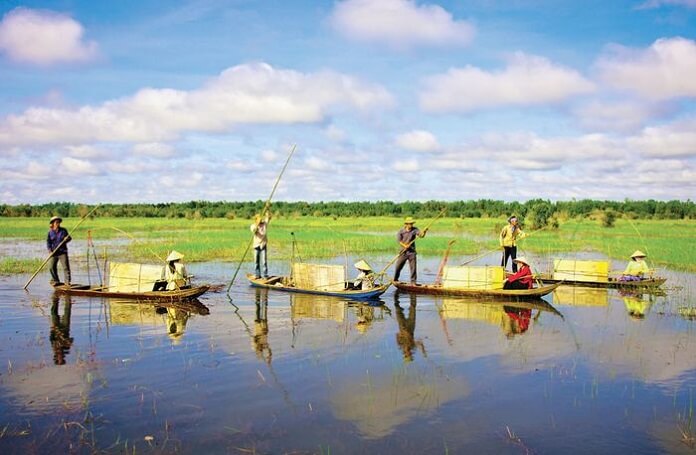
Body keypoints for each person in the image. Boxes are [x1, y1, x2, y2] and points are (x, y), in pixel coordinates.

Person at [393, 217, 428, 284]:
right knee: (398, 266)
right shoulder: (401, 231)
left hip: (412, 252)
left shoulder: (415, 230)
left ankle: (413, 282)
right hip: (403, 252)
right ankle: (395, 279)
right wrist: (405, 246)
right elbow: (399, 241)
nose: (411, 225)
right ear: (406, 224)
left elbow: (421, 235)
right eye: (409, 224)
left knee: (413, 268)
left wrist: (425, 231)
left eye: (412, 224)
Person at [47, 216, 72, 286]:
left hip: (62, 252)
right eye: (56, 222)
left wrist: (66, 238)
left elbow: (70, 238)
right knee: (51, 266)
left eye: (58, 222)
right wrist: (50, 250)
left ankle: (67, 282)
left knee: (66, 267)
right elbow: (48, 242)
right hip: (54, 252)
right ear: (53, 223)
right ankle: (55, 280)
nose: (58, 223)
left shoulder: (63, 230)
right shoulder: (50, 232)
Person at [250, 211, 271, 279]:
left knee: (264, 261)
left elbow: (269, 217)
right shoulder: (253, 226)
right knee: (256, 261)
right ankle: (257, 274)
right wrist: (257, 224)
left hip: (263, 244)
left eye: (261, 219)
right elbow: (254, 230)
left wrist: (267, 211)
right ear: (256, 220)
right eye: (259, 219)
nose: (261, 220)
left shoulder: (264, 224)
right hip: (256, 245)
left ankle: (265, 275)